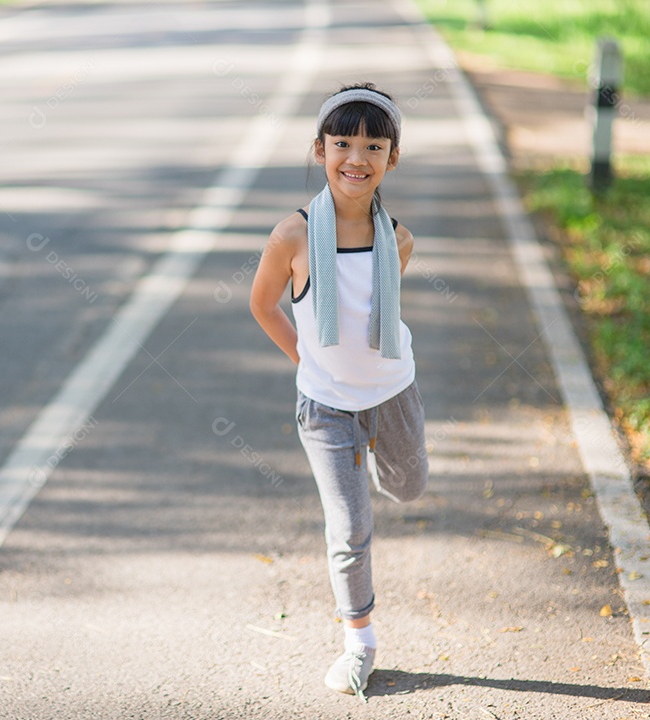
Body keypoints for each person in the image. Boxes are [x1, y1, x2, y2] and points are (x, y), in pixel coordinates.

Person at [249, 83, 429, 699]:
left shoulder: (399, 239)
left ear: (392, 158)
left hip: (392, 391)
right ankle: (360, 644)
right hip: (325, 405)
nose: (357, 158)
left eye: (374, 146)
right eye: (343, 143)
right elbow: (263, 305)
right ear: (320, 149)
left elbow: (375, 316)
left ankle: (375, 456)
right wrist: (310, 362)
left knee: (409, 486)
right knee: (350, 528)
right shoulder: (291, 236)